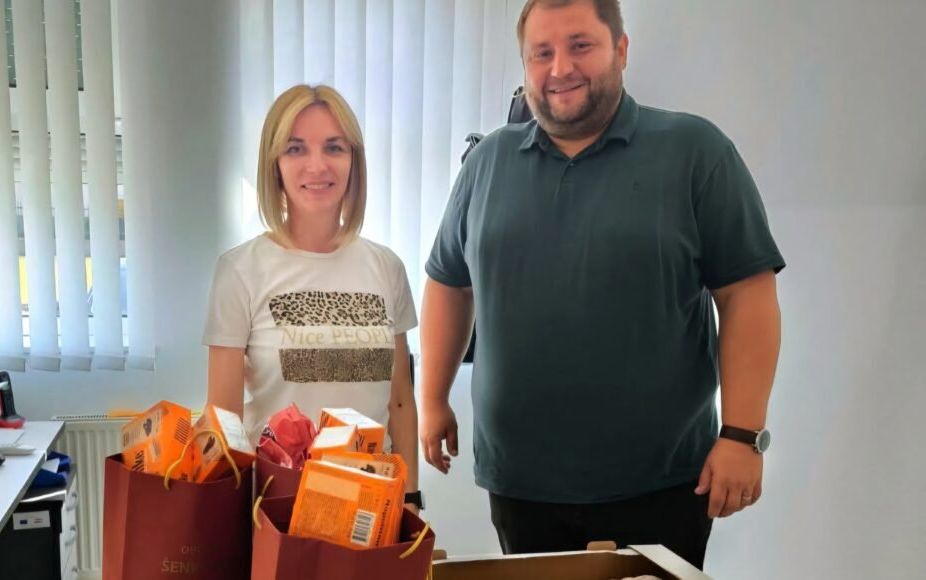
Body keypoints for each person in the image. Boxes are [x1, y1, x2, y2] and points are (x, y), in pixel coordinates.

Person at [419, 0, 784, 568]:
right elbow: (448, 283)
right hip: (521, 486)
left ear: (621, 49)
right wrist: (432, 399)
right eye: (541, 53)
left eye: (580, 45)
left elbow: (746, 294)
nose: (560, 68)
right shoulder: (487, 163)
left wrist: (743, 434)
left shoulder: (696, 152)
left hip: (662, 484)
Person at [203, 84, 421, 508]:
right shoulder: (240, 271)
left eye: (334, 147)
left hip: (370, 507)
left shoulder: (387, 268)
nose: (317, 165)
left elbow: (399, 401)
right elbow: (223, 418)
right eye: (296, 149)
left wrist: (410, 495)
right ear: (275, 165)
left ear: (353, 161)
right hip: (276, 507)